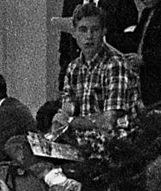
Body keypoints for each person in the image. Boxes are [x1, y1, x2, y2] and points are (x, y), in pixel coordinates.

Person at [54, 9, 137, 137]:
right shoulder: (73, 68)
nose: (89, 36)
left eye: (95, 29)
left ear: (104, 32)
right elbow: (67, 110)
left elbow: (108, 122)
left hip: (118, 145)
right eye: (83, 30)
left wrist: (69, 122)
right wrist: (60, 121)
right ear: (74, 33)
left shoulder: (115, 64)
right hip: (84, 143)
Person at [58, 0, 139, 78]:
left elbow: (130, 38)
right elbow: (65, 46)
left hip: (111, 70)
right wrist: (64, 76)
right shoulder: (71, 2)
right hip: (78, 73)